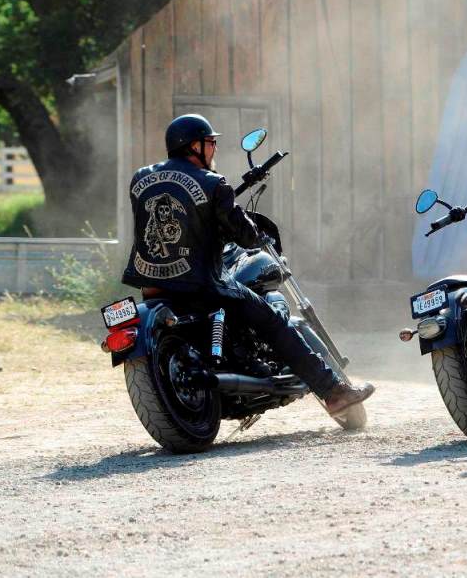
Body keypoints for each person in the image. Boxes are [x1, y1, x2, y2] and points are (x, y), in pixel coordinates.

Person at [121, 114, 374, 420]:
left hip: (152, 286)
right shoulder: (212, 183)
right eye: (211, 142)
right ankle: (334, 393)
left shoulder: (140, 179)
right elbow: (244, 234)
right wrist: (251, 230)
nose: (214, 148)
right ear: (195, 146)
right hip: (201, 286)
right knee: (273, 321)